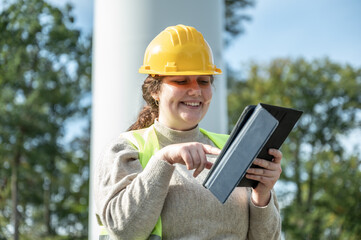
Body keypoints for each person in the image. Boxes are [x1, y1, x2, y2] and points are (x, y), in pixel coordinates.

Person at [94, 24, 282, 240]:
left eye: (204, 81)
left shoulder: (232, 147)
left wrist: (262, 194)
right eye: (181, 80)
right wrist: (163, 160)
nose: (195, 90)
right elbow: (124, 230)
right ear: (155, 90)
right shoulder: (125, 150)